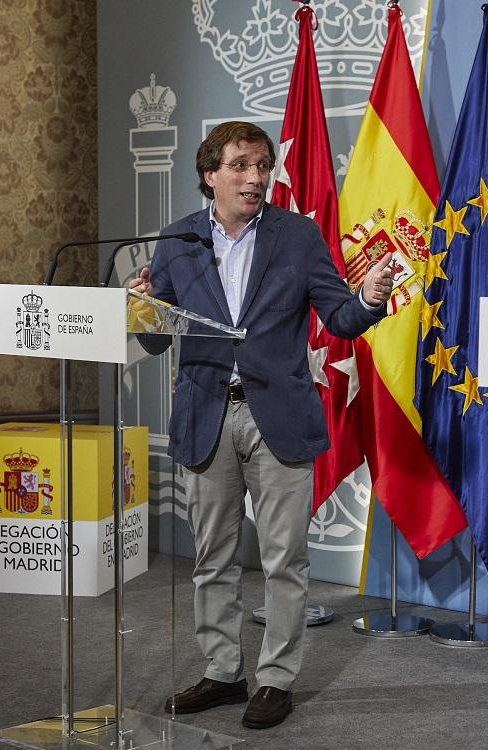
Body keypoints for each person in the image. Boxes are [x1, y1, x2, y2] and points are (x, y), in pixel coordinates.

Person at [129, 121, 394, 730]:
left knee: (283, 561)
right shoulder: (176, 241)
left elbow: (341, 318)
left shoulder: (297, 236)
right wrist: (138, 304)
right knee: (212, 558)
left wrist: (373, 297)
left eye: (262, 166)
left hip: (278, 415)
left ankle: (275, 680)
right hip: (207, 416)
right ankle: (223, 672)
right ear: (210, 175)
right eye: (241, 166)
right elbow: (150, 337)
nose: (254, 177)